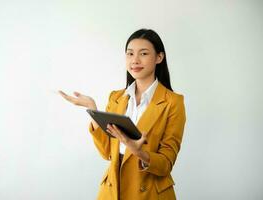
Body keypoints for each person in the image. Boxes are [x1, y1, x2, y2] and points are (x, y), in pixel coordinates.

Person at [59, 28, 186, 200]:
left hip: (149, 193)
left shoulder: (173, 102)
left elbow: (166, 164)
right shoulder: (116, 97)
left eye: (143, 53)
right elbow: (106, 153)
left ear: (159, 57)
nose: (135, 60)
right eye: (130, 53)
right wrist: (93, 109)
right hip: (113, 190)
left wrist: (139, 152)